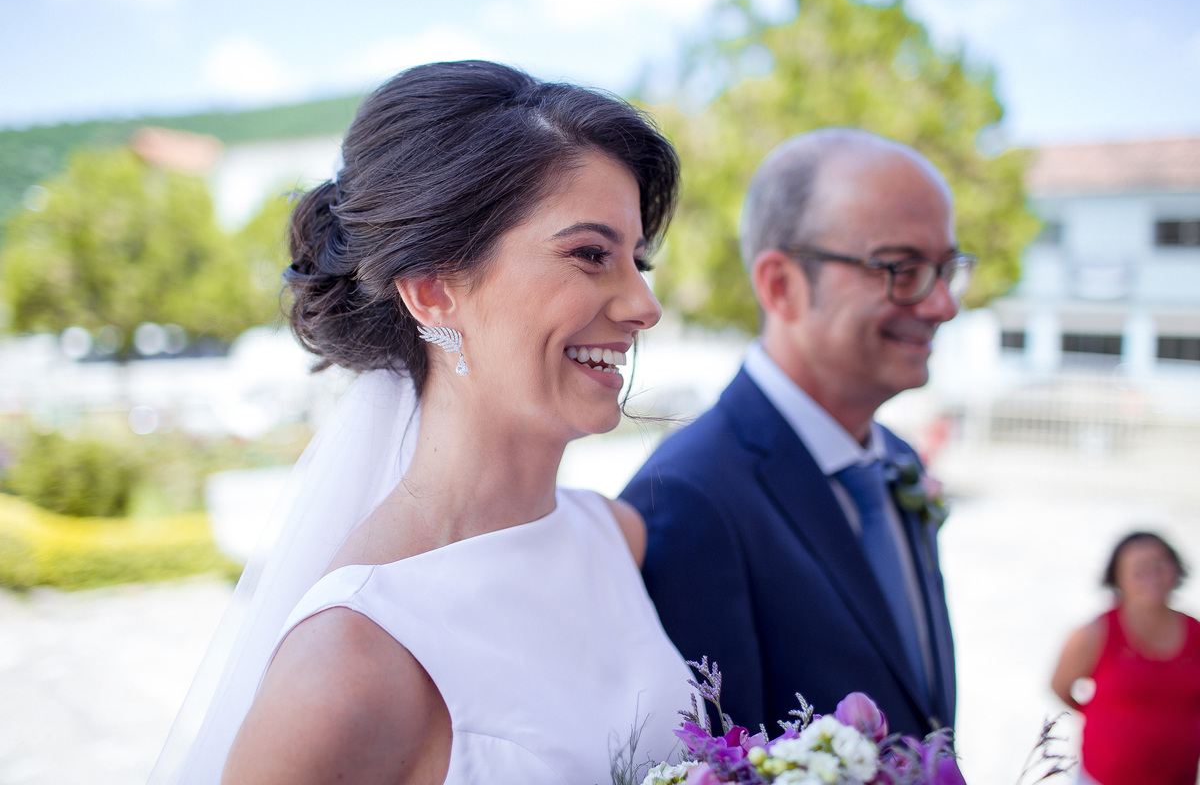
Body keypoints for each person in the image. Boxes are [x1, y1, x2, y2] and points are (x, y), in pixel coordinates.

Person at [148, 60, 693, 784]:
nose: (644, 306)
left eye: (637, 262)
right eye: (590, 255)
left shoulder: (616, 537)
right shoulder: (348, 666)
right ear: (433, 290)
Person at [622, 128, 967, 738]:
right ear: (781, 285)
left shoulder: (896, 461)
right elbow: (716, 762)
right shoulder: (688, 498)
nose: (943, 305)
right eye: (903, 269)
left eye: (946, 269)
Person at [1051, 531, 1200, 785]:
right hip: (1102, 778)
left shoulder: (1196, 633)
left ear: (1176, 569)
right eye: (1139, 569)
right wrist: (1109, 721)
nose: (1151, 575)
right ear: (1117, 577)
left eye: (1159, 565)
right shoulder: (1094, 633)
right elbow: (1059, 687)